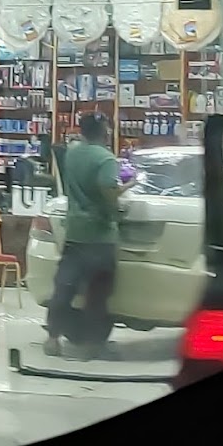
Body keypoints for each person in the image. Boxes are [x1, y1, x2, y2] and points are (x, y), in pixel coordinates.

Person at [43, 114, 136, 360]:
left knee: (64, 288)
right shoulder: (105, 158)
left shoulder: (72, 154)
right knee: (97, 294)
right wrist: (128, 186)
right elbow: (109, 190)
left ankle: (52, 338)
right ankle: (91, 345)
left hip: (74, 233)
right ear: (105, 131)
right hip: (100, 236)